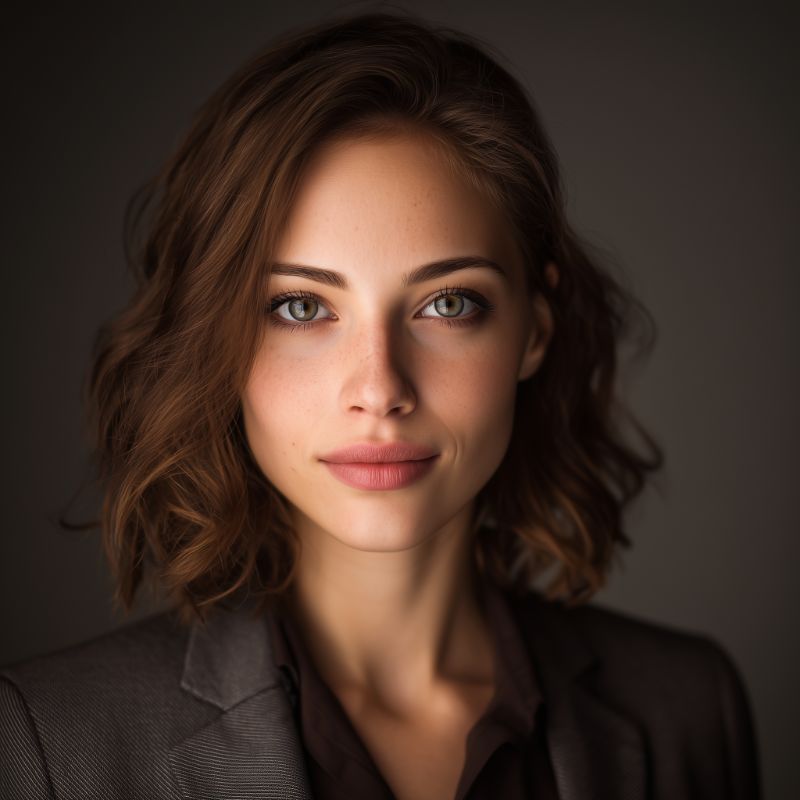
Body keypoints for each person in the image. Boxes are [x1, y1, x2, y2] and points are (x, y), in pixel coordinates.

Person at [0, 10, 760, 800]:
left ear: (534, 329)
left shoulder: (688, 711)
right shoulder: (49, 743)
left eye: (447, 304)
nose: (379, 390)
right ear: (216, 335)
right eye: (300, 308)